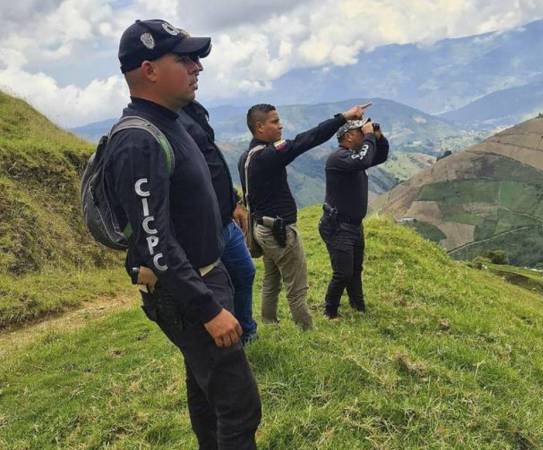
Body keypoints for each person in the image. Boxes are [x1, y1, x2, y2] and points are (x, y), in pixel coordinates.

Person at [104, 19, 261, 449]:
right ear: (150, 69)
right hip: (187, 292)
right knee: (239, 407)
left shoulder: (170, 120)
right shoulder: (139, 140)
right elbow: (156, 242)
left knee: (208, 394)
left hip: (200, 278)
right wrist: (208, 308)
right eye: (185, 58)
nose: (197, 67)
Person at [238, 103, 368, 330]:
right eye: (275, 121)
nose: (281, 126)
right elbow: (307, 139)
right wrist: (343, 117)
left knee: (272, 279)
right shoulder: (267, 156)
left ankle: (269, 322)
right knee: (296, 286)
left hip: (261, 228)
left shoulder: (247, 157)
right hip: (279, 230)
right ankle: (307, 330)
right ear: (259, 127)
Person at [179, 101, 258, 345]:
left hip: (224, 220)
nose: (196, 69)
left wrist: (232, 201)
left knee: (244, 272)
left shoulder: (190, 111)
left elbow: (213, 167)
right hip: (203, 227)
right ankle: (228, 341)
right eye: (185, 61)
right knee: (217, 286)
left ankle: (245, 331)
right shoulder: (168, 122)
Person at [319, 119, 389, 319]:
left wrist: (378, 137)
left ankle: (358, 306)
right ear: (348, 136)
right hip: (338, 226)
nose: (364, 133)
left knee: (355, 269)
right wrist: (368, 138)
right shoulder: (338, 158)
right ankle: (330, 311)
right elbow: (364, 160)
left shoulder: (353, 158)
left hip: (354, 226)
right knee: (343, 273)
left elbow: (380, 156)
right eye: (360, 131)